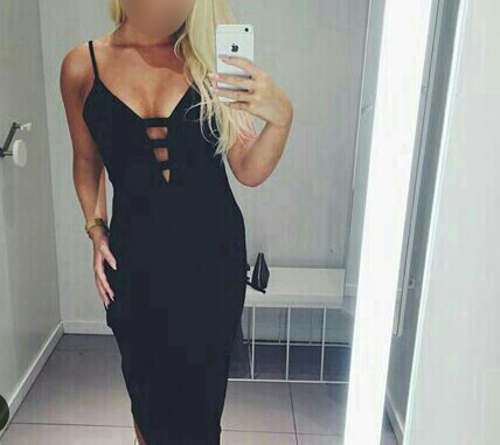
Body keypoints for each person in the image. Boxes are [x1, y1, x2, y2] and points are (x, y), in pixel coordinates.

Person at [59, 0, 292, 443]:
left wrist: (282, 117)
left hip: (212, 263)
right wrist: (95, 228)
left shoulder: (209, 60)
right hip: (136, 264)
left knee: (201, 407)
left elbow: (248, 168)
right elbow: (86, 161)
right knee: (146, 395)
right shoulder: (81, 67)